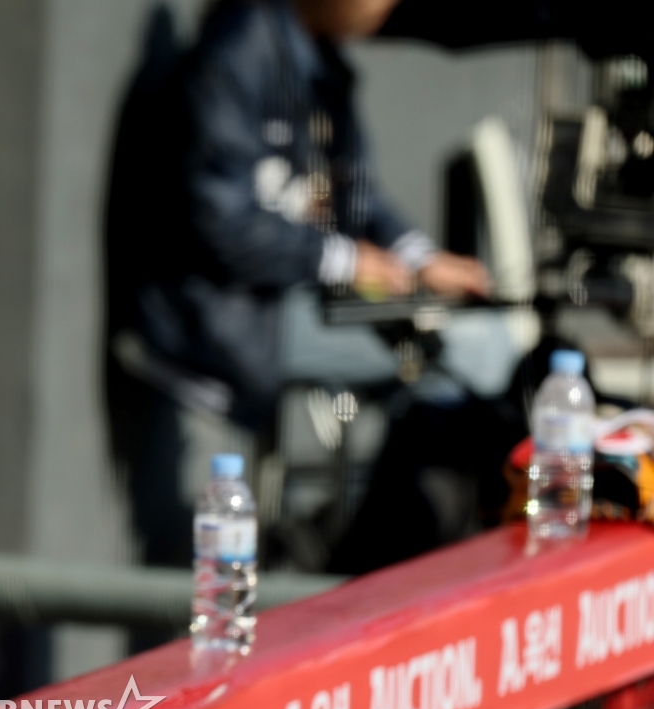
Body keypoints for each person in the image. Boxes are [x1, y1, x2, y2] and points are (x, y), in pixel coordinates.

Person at [106, 0, 492, 578]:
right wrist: (343, 260)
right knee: (471, 352)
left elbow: (357, 194)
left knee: (465, 358)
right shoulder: (239, 48)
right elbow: (221, 221)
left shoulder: (322, 60)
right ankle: (348, 571)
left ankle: (347, 563)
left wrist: (420, 257)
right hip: (219, 321)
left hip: (285, 306)